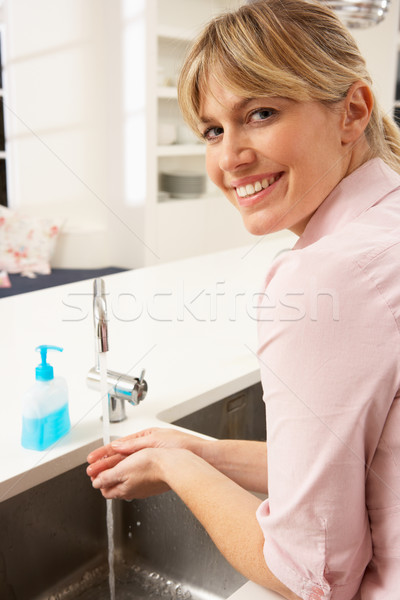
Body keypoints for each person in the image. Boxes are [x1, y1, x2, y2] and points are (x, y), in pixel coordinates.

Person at [86, 1, 400, 598]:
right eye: (212, 130)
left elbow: (310, 575)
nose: (230, 158)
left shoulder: (324, 278)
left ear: (352, 112)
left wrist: (178, 469)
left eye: (259, 112)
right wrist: (200, 449)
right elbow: (354, 471)